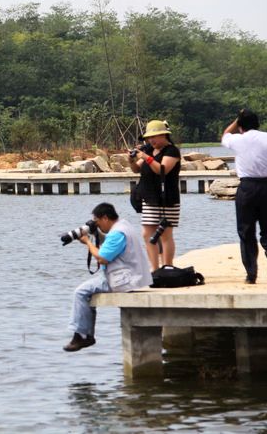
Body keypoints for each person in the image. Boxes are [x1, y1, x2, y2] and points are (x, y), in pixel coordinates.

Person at [63, 203, 152, 352]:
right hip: (132, 275)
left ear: (105, 218)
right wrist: (98, 235)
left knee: (80, 292)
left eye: (96, 221)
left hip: (124, 280)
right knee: (86, 291)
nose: (96, 225)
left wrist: (88, 243)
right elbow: (112, 246)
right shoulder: (124, 225)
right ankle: (84, 334)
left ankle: (82, 336)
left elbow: (102, 258)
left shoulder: (117, 233)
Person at [221, 109, 267, 284]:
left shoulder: (237, 139)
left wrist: (237, 118)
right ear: (258, 124)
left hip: (247, 187)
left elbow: (225, 135)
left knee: (246, 230)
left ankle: (251, 274)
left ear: (240, 127)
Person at [128, 120, 181, 271]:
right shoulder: (149, 150)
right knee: (147, 234)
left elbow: (162, 170)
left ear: (164, 135)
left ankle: (168, 267)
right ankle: (155, 269)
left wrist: (145, 157)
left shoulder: (171, 151)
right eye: (149, 137)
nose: (152, 140)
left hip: (167, 198)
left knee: (165, 234)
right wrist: (131, 160)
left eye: (155, 137)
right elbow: (135, 169)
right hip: (149, 198)